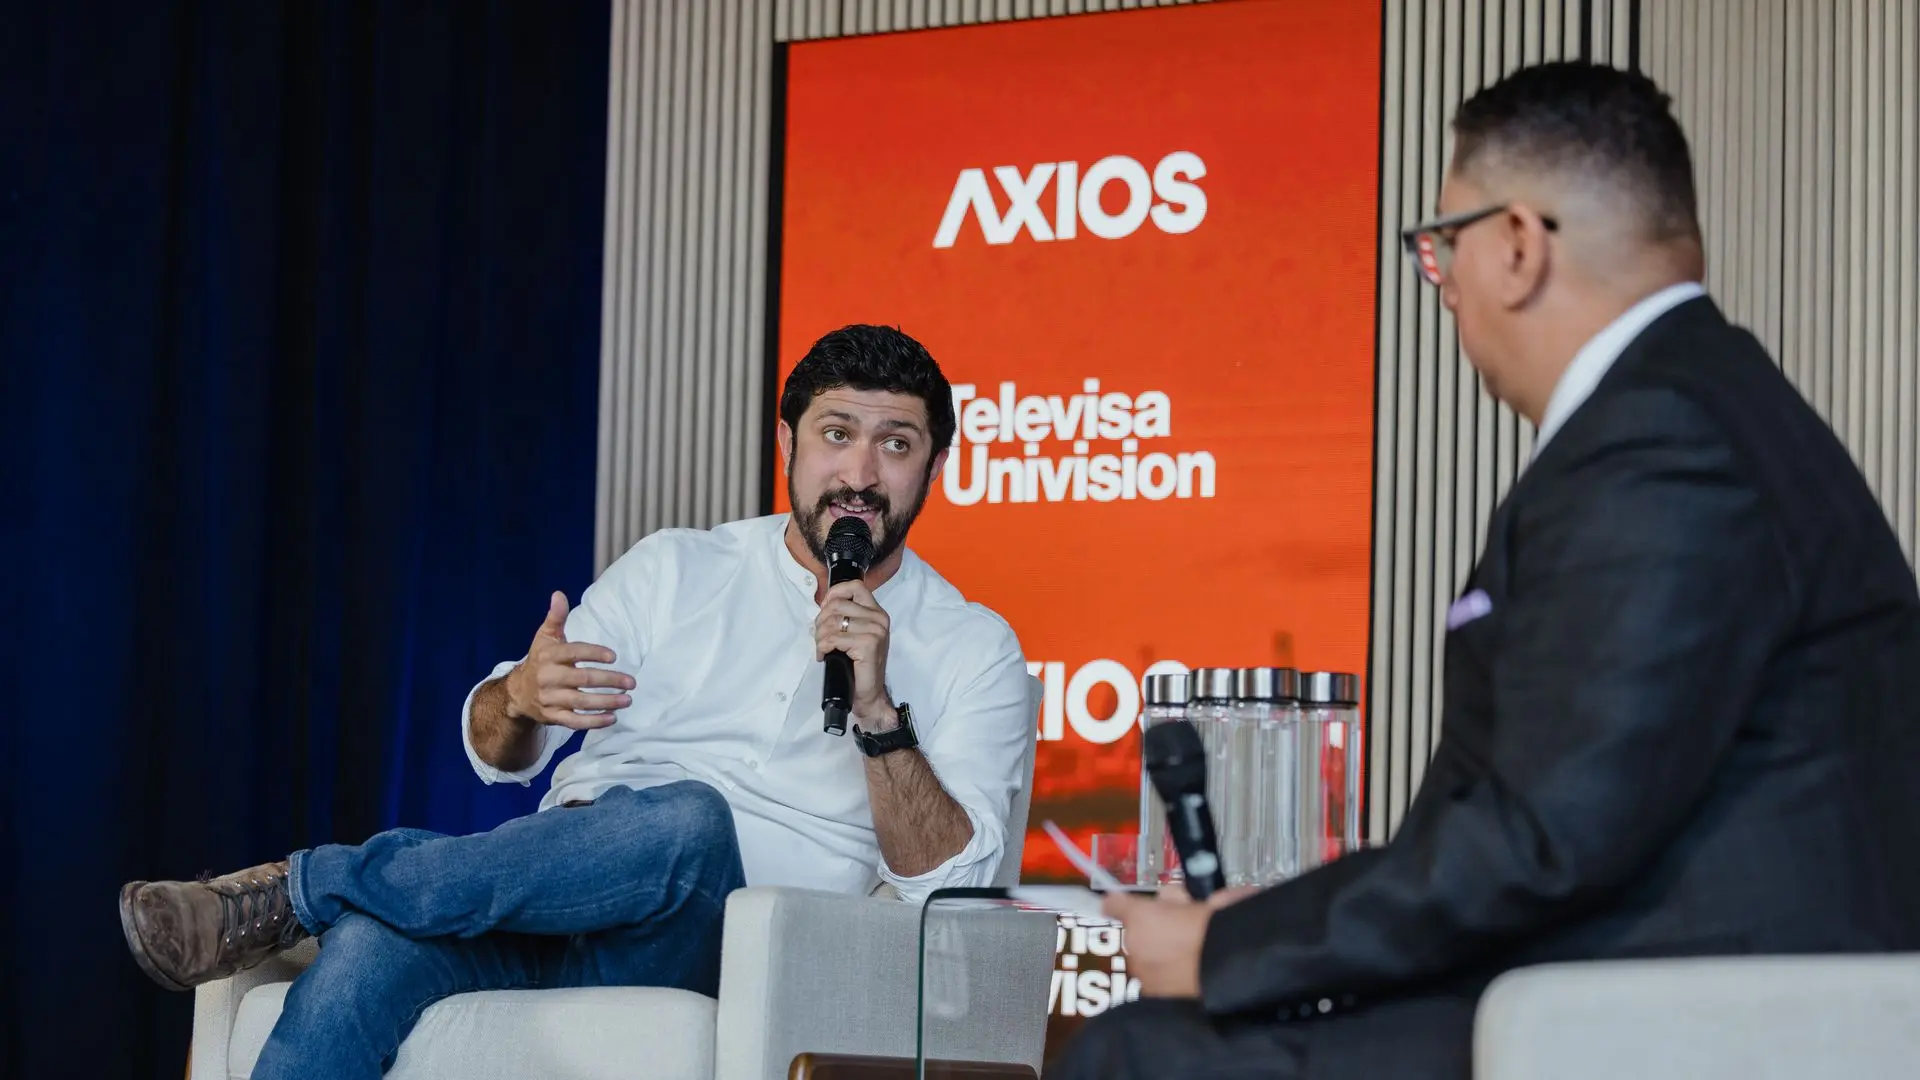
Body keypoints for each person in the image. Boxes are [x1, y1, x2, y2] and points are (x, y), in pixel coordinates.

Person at [1051, 60, 1920, 1080]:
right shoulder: (1706, 407)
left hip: (1679, 1017)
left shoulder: (1662, 440)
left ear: (1515, 244)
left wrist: (1230, 947)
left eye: (1440, 244)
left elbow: (1546, 834)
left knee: (1139, 1056)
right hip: (1627, 988)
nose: (1445, 283)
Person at [117, 323, 1034, 1080]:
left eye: (897, 444)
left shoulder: (971, 645)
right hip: (544, 898)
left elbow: (955, 889)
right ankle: (340, 901)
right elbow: (499, 750)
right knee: (365, 955)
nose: (861, 472)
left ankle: (298, 889)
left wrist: (877, 716)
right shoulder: (678, 566)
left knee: (687, 821)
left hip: (724, 945)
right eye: (837, 433)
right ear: (788, 444)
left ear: (934, 468)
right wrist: (518, 695)